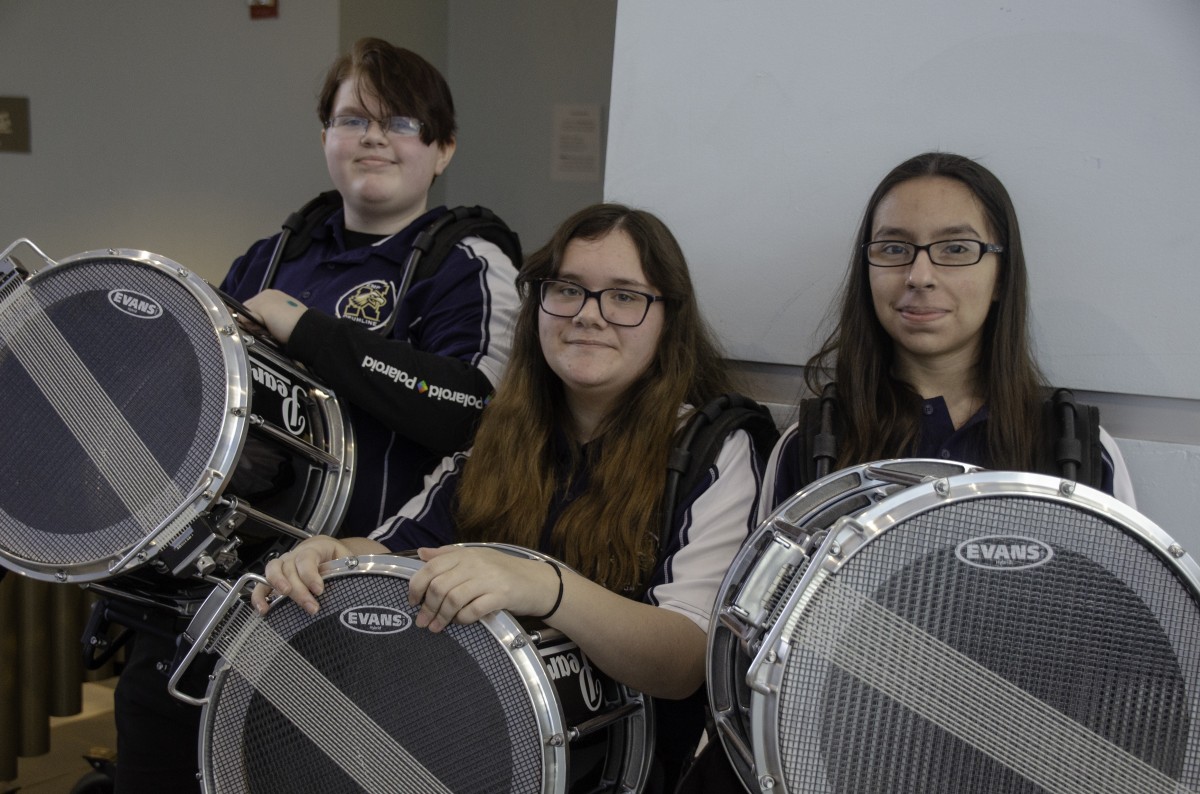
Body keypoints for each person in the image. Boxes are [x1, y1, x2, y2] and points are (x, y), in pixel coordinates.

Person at [109, 39, 520, 793]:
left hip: (359, 601)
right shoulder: (271, 258)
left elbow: (473, 413)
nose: (372, 137)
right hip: (216, 587)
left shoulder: (467, 263)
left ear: (444, 147)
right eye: (351, 119)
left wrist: (311, 332)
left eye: (400, 122)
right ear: (324, 137)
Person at [251, 203, 769, 792]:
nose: (589, 316)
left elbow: (682, 662)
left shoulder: (712, 449)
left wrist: (542, 585)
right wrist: (328, 555)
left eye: (625, 296)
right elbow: (393, 552)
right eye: (568, 289)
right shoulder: (501, 435)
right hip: (471, 758)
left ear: (669, 319)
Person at [761, 150, 1134, 512]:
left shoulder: (1077, 449)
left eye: (956, 248)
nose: (919, 276)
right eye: (893, 247)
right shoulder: (811, 446)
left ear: (1003, 276)